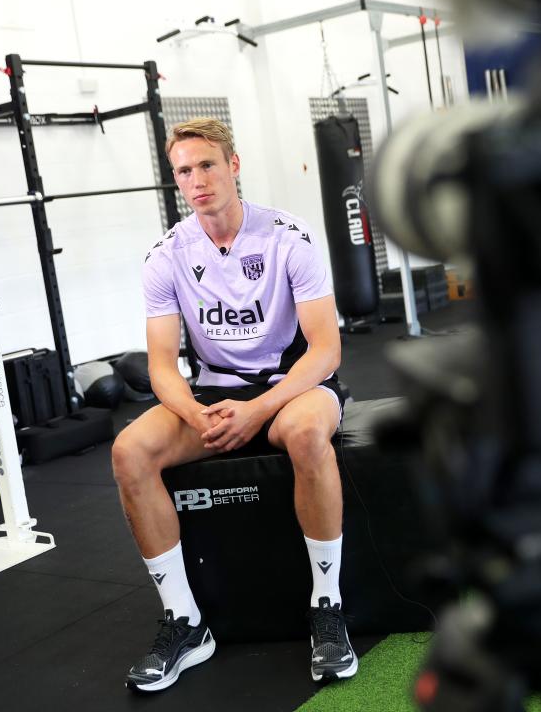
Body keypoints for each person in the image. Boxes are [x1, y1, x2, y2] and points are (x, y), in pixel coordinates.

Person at [112, 117, 357, 692]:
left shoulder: (288, 238)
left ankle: (327, 606)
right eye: (183, 171)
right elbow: (162, 367)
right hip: (215, 393)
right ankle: (184, 622)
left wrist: (259, 409)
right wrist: (196, 414)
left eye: (206, 165)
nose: (196, 180)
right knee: (130, 452)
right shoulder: (166, 256)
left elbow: (326, 349)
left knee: (305, 435)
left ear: (233, 165)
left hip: (294, 387)